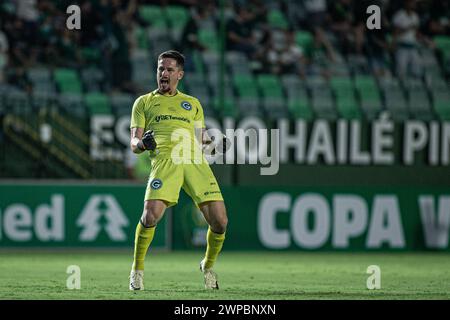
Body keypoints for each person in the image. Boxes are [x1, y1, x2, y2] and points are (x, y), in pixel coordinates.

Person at [128, 50, 228, 290]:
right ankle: (137, 270)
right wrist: (142, 144)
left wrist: (215, 145)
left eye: (169, 69)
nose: (163, 73)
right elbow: (134, 143)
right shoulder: (143, 102)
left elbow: (202, 138)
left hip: (194, 162)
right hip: (166, 161)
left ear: (179, 74)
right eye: (160, 68)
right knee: (150, 216)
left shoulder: (192, 104)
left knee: (220, 222)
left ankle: (207, 265)